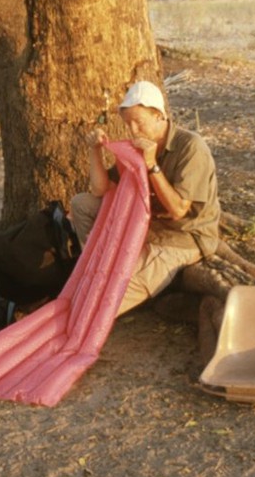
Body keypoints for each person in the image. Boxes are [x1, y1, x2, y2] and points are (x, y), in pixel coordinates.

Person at [70, 80, 221, 316]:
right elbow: (100, 190)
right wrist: (95, 151)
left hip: (183, 236)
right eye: (127, 124)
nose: (133, 131)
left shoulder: (191, 147)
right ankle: (96, 267)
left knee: (105, 297)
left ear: (159, 116)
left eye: (138, 122)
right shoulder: (138, 146)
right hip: (148, 227)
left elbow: (178, 210)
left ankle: (95, 310)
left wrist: (151, 165)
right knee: (81, 204)